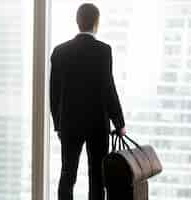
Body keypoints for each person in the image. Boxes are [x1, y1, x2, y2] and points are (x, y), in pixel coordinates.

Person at [50, 3, 126, 200]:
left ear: (78, 22)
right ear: (96, 23)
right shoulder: (103, 51)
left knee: (67, 174)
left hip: (69, 124)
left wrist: (58, 124)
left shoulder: (60, 51)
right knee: (97, 177)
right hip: (97, 124)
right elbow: (108, 88)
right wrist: (119, 123)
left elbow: (54, 93)